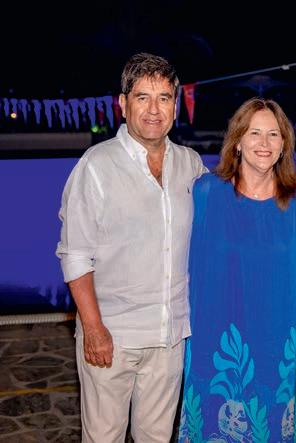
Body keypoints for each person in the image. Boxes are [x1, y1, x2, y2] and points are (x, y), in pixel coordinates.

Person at [56, 52, 206, 442]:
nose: (154, 110)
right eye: (143, 97)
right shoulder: (96, 166)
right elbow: (75, 254)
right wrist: (93, 329)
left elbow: (234, 202)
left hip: (170, 336)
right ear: (123, 104)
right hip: (113, 336)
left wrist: (292, 185)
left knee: (156, 438)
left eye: (164, 98)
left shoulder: (190, 165)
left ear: (176, 105)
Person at [178, 98, 296, 443]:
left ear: (284, 145)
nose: (264, 143)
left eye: (273, 134)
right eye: (254, 133)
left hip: (276, 346)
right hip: (216, 344)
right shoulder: (206, 193)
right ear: (237, 140)